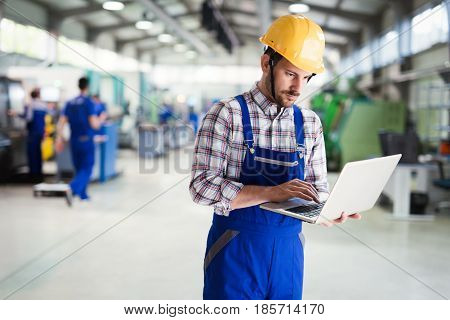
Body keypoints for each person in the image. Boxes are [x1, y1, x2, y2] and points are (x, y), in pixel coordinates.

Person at [189, 15, 361, 300]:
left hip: (288, 252)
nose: (298, 88)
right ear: (266, 63)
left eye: (306, 78)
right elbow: (201, 188)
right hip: (235, 248)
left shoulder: (309, 124)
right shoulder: (226, 114)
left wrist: (327, 211)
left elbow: (317, 189)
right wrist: (271, 192)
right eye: (291, 74)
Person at [55, 77, 105, 201]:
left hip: (74, 140)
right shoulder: (89, 103)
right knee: (87, 168)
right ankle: (72, 189)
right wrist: (102, 118)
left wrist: (59, 139)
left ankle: (83, 194)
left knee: (79, 168)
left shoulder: (69, 103)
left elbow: (61, 123)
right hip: (86, 140)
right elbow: (94, 124)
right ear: (87, 87)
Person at [9, 88, 47, 180]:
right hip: (40, 132)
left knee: (32, 153)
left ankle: (33, 175)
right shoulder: (43, 105)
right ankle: (39, 174)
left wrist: (15, 114)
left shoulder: (30, 104)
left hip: (33, 132)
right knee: (38, 153)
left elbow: (28, 118)